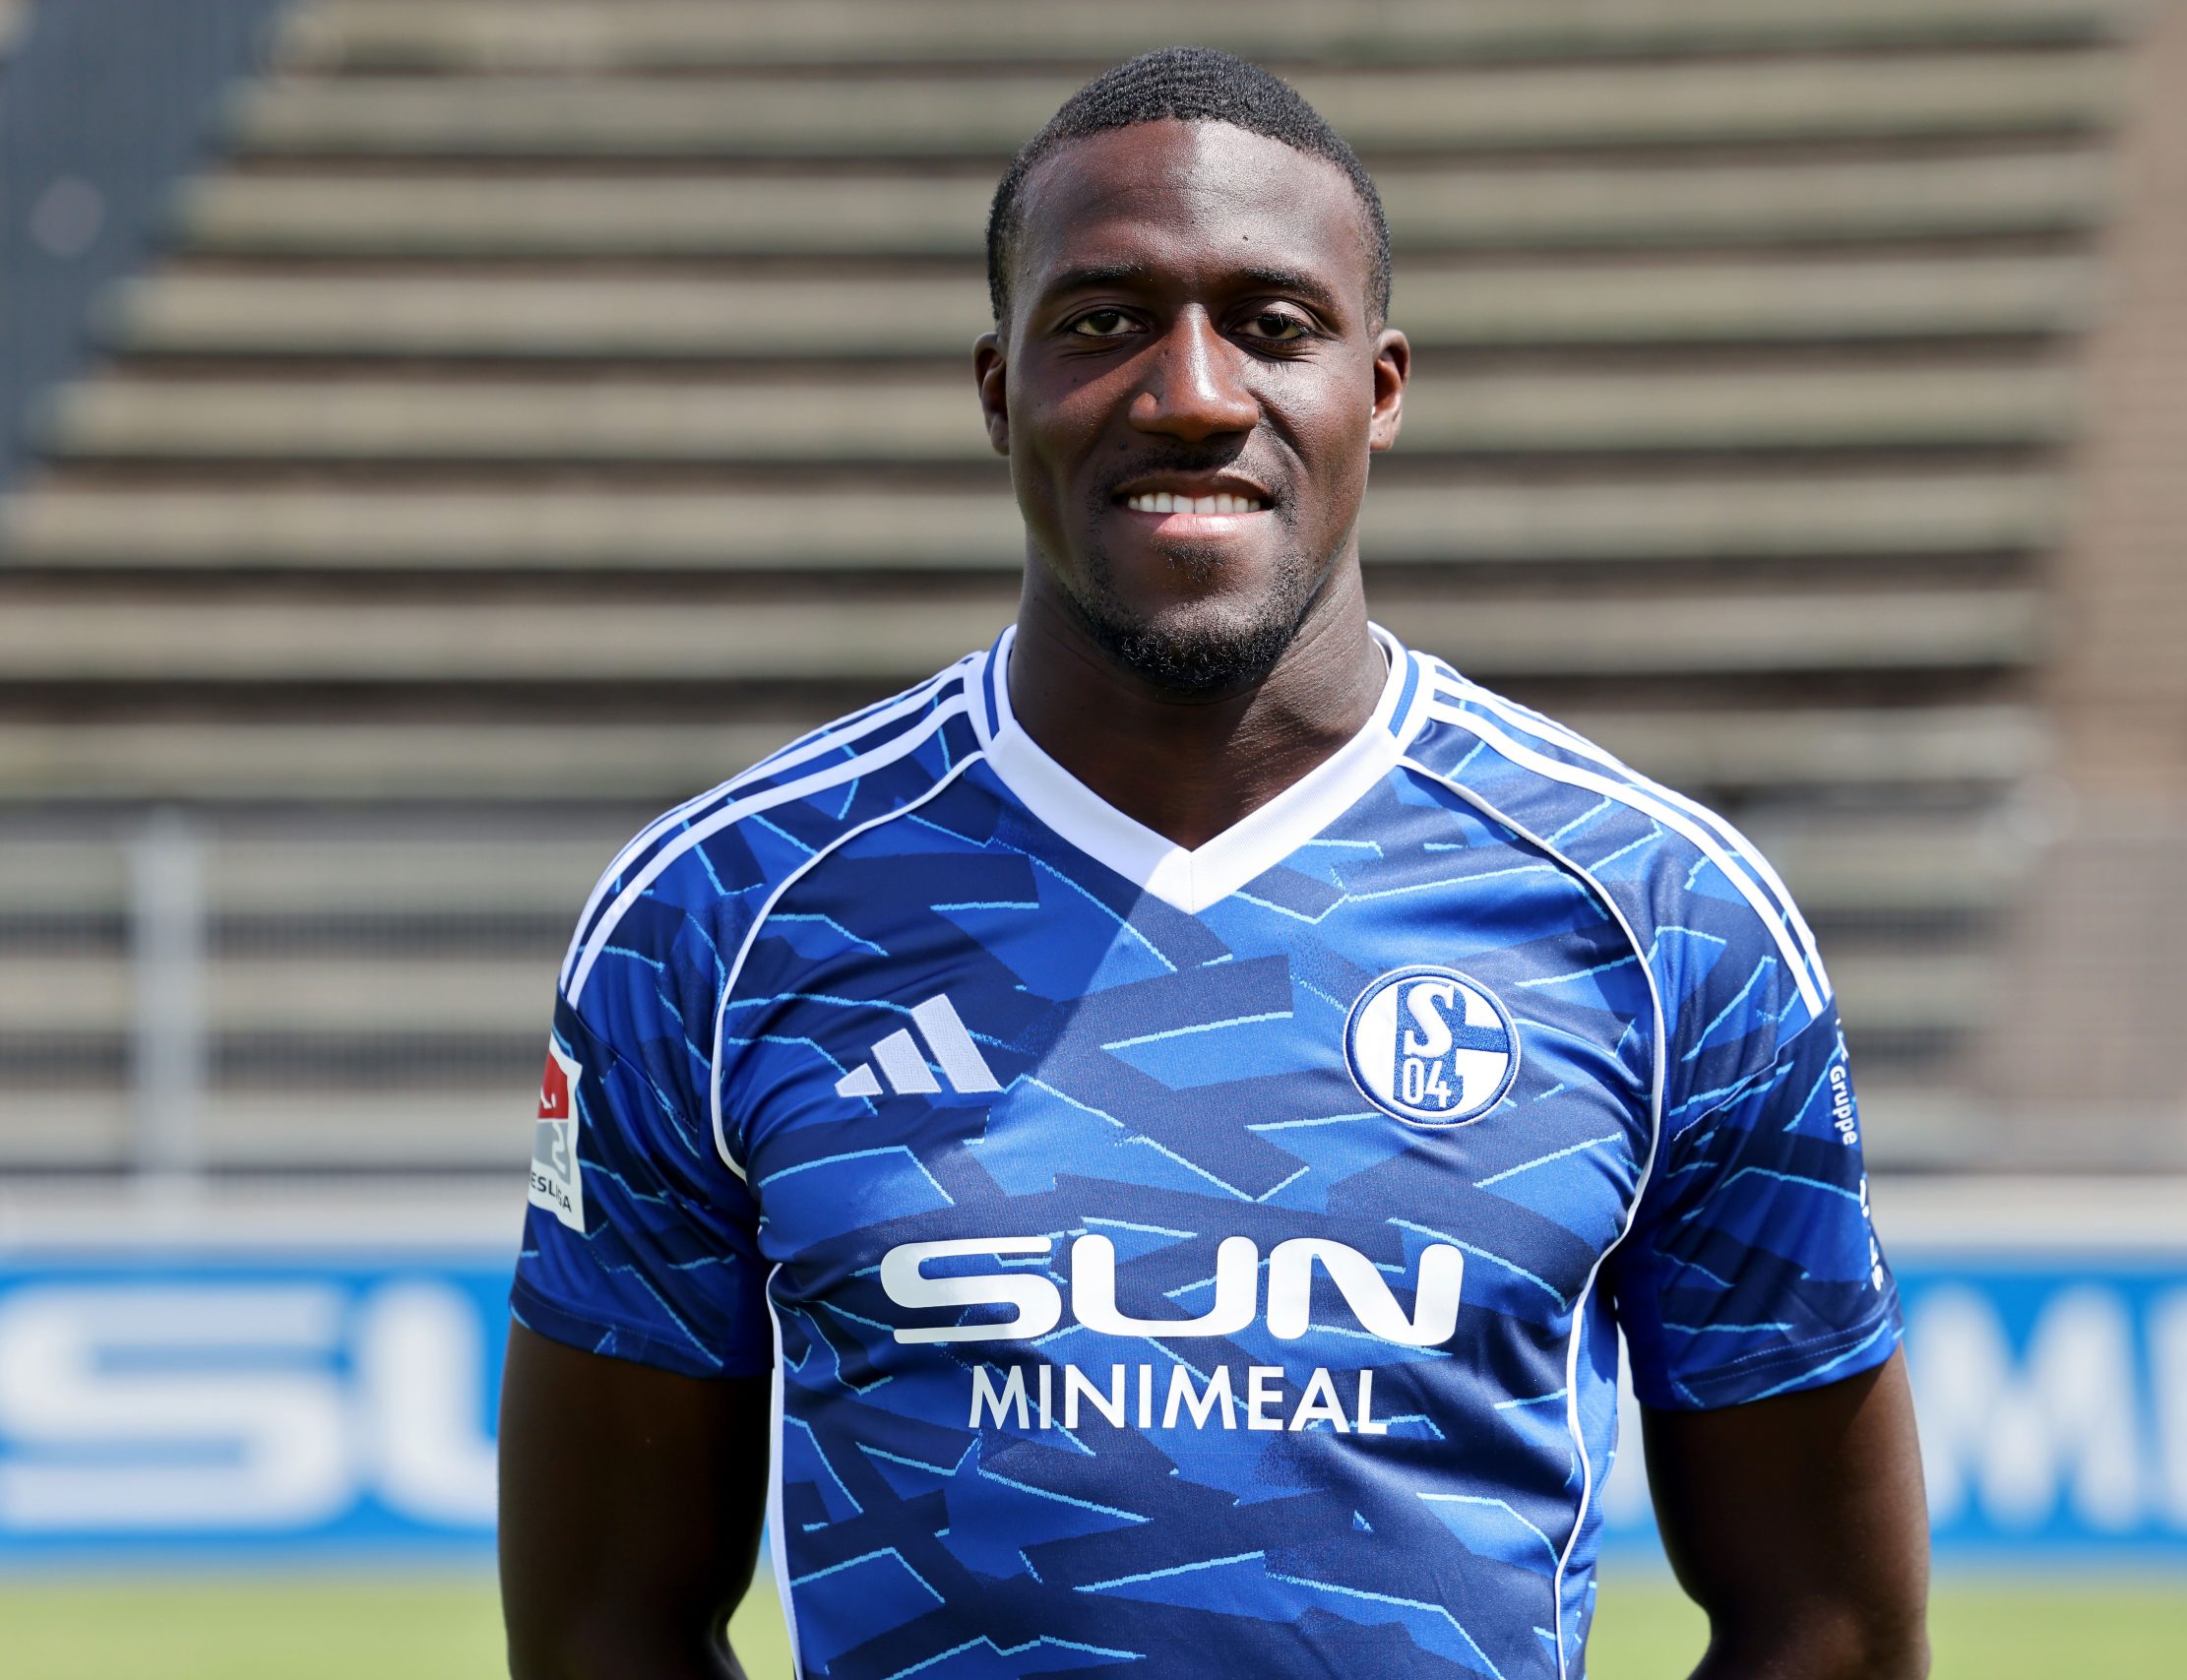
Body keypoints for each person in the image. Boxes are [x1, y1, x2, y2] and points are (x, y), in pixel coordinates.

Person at [499, 46, 1929, 1680]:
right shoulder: (718, 916)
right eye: (1105, 322)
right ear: (998, 391)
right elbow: (603, 1628)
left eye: (1274, 324)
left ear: (1379, 390)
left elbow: (1833, 1627)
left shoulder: (1664, 916)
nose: (1190, 393)